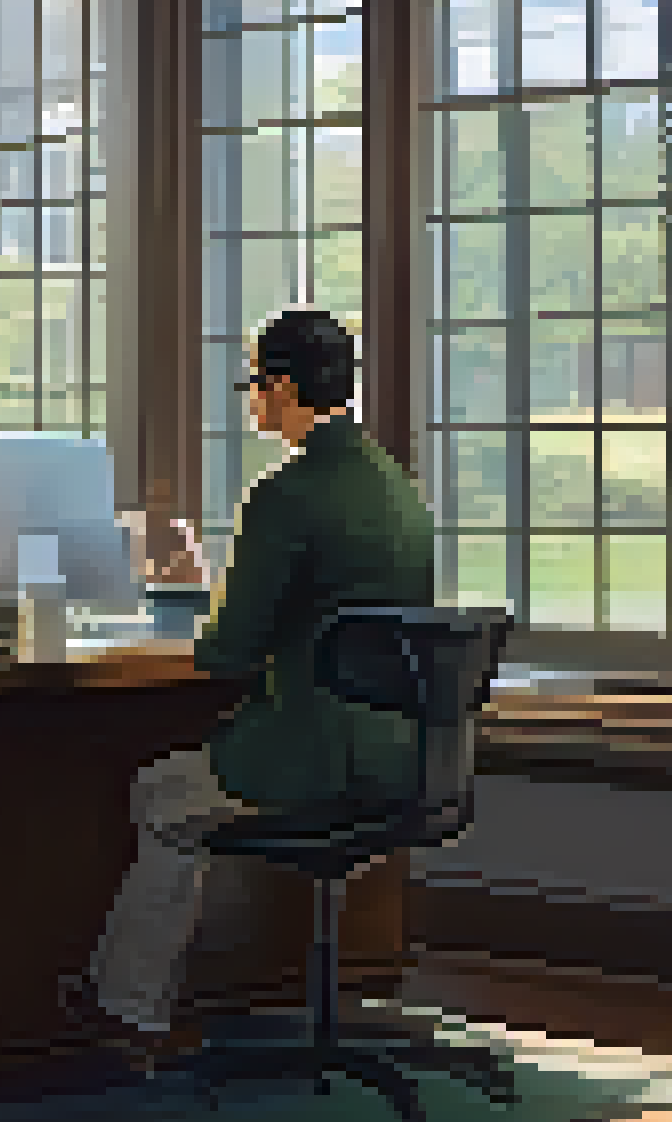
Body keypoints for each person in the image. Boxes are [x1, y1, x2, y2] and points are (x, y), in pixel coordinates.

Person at [81, 307, 437, 1049]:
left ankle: (126, 1012)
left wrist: (207, 596)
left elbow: (228, 651)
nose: (250, 401)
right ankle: (243, 989)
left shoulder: (284, 494)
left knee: (162, 798)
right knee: (184, 791)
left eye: (253, 385)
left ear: (278, 388)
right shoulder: (398, 489)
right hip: (404, 757)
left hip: (312, 758)